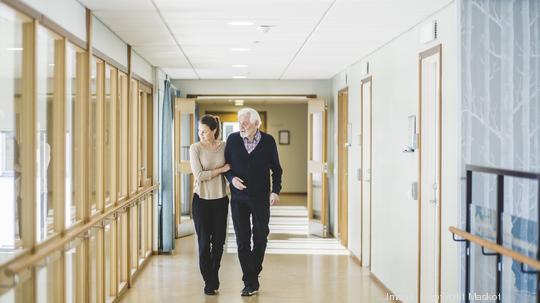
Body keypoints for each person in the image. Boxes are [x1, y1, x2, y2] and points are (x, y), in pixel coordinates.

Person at [224, 107, 283, 296]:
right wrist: (231, 178)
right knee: (242, 240)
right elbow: (226, 167)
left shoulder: (268, 141)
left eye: (246, 123)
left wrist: (275, 191)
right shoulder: (233, 140)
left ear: (257, 124)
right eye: (240, 122)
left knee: (260, 236)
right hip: (239, 199)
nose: (241, 126)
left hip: (260, 198)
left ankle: (253, 274)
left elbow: (277, 169)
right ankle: (249, 281)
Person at [189, 114, 230, 295]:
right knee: (204, 243)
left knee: (219, 242)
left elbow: (233, 167)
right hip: (201, 201)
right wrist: (221, 170)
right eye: (199, 131)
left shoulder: (225, 147)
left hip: (221, 200)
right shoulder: (195, 148)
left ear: (214, 130)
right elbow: (199, 175)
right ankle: (209, 281)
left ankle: (213, 274)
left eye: (204, 131)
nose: (201, 134)